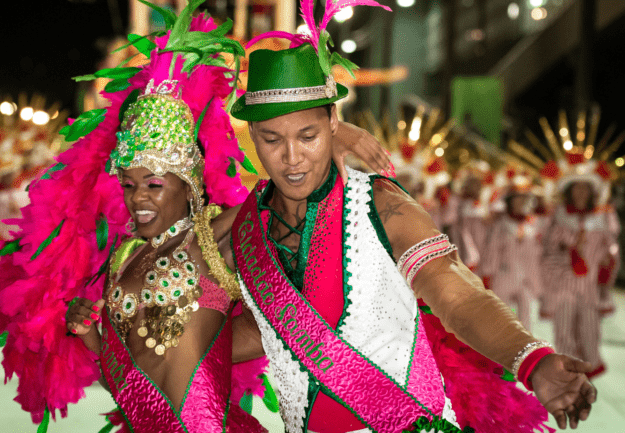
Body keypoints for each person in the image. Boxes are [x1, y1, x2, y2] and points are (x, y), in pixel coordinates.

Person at [0, 3, 391, 431]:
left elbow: (293, 196)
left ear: (188, 182)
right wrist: (89, 330)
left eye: (154, 185)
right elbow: (135, 361)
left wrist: (334, 136)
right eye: (129, 184)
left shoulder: (218, 233)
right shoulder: (125, 253)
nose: (138, 198)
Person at [221, 1, 597, 431]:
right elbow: (273, 329)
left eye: (307, 136)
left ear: (333, 124)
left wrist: (533, 360)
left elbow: (458, 295)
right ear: (252, 134)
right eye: (272, 139)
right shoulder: (244, 229)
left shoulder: (382, 206)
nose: (291, 158)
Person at [543, 174, 618, 379]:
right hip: (564, 283)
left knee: (589, 329)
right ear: (569, 192)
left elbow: (611, 247)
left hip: (591, 284)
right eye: (577, 188)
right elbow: (548, 250)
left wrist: (608, 260)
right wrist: (567, 254)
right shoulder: (559, 217)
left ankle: (589, 369)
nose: (581, 193)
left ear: (592, 192)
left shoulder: (603, 217)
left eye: (585, 188)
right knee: (564, 329)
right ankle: (569, 372)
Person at [481, 175, 546, 331]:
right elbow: (492, 251)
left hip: (526, 279)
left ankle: (525, 352)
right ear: (509, 201)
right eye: (517, 199)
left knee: (526, 321)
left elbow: (536, 256)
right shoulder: (499, 224)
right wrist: (487, 275)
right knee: (499, 318)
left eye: (525, 199)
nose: (522, 202)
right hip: (503, 275)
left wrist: (537, 283)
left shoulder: (533, 225)